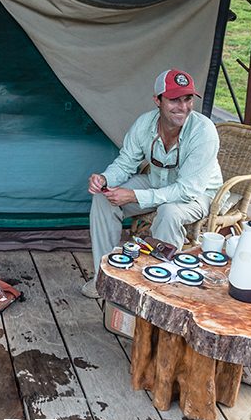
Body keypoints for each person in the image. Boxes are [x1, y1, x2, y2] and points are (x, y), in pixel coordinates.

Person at [83, 68, 223, 298]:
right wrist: (105, 178)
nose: (183, 106)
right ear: (157, 100)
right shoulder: (144, 124)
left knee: (169, 212)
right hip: (158, 182)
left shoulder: (203, 131)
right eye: (174, 99)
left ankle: (158, 288)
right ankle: (106, 275)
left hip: (199, 194)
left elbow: (187, 190)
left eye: (187, 99)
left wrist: (135, 196)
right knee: (102, 197)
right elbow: (126, 162)